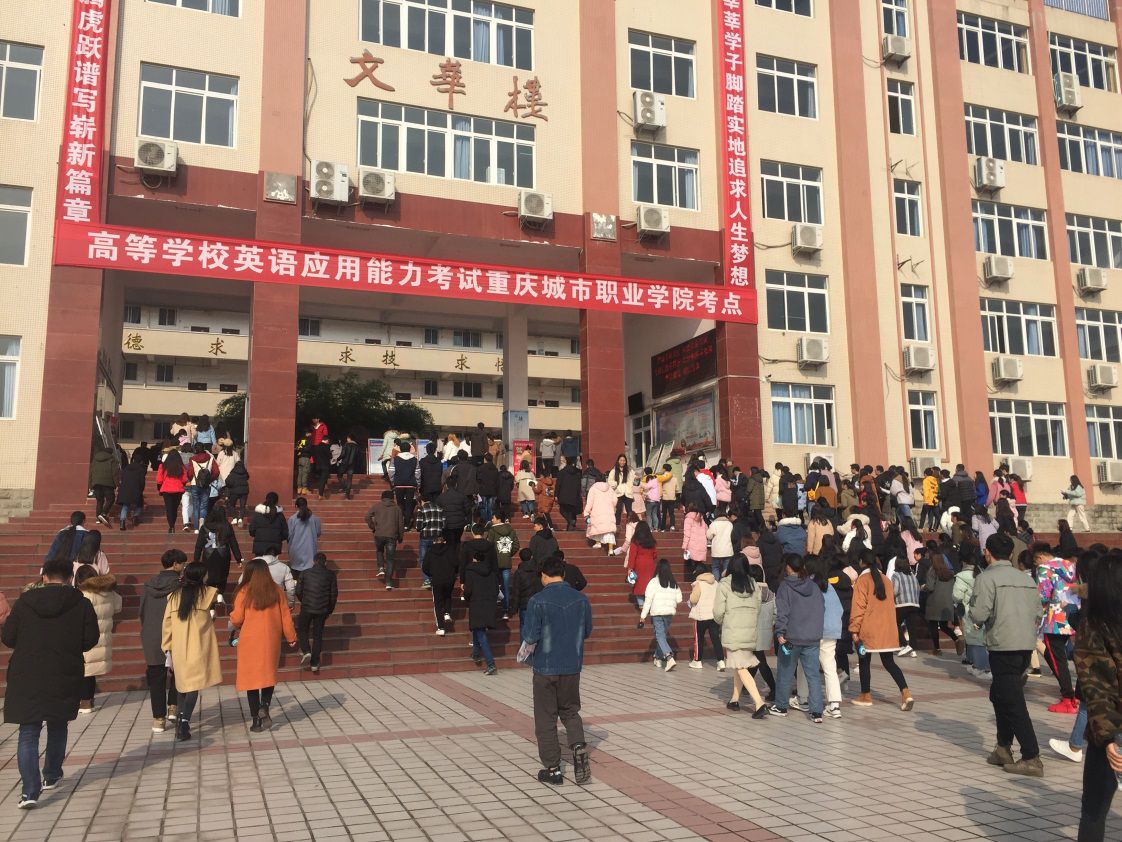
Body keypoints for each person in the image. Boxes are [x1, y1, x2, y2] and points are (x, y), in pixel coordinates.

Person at [3, 558, 98, 808]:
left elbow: (9, 637)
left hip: (27, 673)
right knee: (58, 724)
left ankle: (29, 792)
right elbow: (90, 639)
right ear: (70, 578)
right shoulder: (81, 603)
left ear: (44, 577)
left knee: (28, 731)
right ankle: (52, 775)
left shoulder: (25, 602)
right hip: (64, 671)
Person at [971, 533, 1044, 777]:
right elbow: (1038, 612)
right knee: (1000, 694)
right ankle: (1003, 747)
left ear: (987, 553)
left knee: (1012, 700)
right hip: (1025, 645)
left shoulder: (986, 578)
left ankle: (1031, 756)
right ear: (1011, 554)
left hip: (1003, 645)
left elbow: (979, 614)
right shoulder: (1026, 579)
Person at [522, 555, 593, 786]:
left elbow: (531, 635)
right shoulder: (581, 599)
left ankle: (553, 769)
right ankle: (578, 745)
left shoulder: (537, 600)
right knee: (570, 711)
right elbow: (587, 630)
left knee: (546, 717)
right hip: (572, 665)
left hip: (545, 666)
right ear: (562, 574)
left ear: (543, 575)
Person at [1073, 550, 1122, 841]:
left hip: (1112, 730)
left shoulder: (1094, 626)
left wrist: (1108, 738)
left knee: (1094, 809)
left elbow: (1098, 688)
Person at [231, 558, 297, 732]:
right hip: (270, 640)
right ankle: (265, 705)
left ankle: (255, 722)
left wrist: (233, 621)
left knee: (251, 681)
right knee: (268, 676)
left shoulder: (244, 591)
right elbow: (286, 617)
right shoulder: (277, 590)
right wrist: (291, 637)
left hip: (249, 641)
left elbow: (237, 618)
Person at [161, 560, 221, 741]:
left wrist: (167, 647)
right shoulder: (208, 593)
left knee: (182, 685)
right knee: (193, 686)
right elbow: (213, 611)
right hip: (198, 648)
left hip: (179, 648)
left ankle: (181, 718)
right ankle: (184, 722)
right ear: (201, 575)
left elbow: (167, 625)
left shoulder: (173, 596)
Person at [849, 550, 914, 711]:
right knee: (889, 663)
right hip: (887, 628)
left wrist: (854, 629)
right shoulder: (886, 579)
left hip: (868, 628)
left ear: (862, 562)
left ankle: (865, 695)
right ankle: (905, 692)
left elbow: (858, 607)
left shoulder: (862, 581)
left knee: (864, 661)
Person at [767, 554, 825, 721]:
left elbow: (782, 611)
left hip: (792, 637)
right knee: (813, 676)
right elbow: (821, 608)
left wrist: (780, 632)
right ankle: (816, 712)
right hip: (812, 637)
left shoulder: (785, 587)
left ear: (788, 567)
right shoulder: (813, 586)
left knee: (785, 673)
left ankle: (781, 706)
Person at [140, 549, 185, 733]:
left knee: (156, 677)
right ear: (175, 564)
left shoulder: (148, 586)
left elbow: (142, 611)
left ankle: (158, 719)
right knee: (179, 672)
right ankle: (174, 706)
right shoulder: (181, 585)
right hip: (175, 633)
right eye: (182, 563)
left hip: (151, 634)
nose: (184, 567)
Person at [1035, 542, 1080, 713]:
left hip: (1054, 619)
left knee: (1056, 658)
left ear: (1040, 556)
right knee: (1062, 656)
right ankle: (1075, 693)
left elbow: (1043, 595)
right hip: (1072, 614)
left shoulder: (1044, 569)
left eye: (1036, 561)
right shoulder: (1069, 564)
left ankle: (1068, 698)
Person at [74, 564, 121, 714]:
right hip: (102, 637)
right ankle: (89, 700)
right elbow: (118, 607)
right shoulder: (109, 592)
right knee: (91, 671)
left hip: (85, 636)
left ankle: (85, 703)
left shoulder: (84, 595)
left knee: (85, 670)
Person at [295, 552, 337, 673]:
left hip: (307, 607)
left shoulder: (305, 573)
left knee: (303, 630)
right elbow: (333, 595)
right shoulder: (331, 575)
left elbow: (298, 591)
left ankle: (306, 651)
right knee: (318, 636)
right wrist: (329, 610)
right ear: (325, 562)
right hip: (322, 609)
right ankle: (314, 663)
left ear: (313, 561)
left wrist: (304, 600)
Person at [639, 558, 682, 671]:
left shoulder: (653, 582)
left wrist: (642, 617)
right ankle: (658, 658)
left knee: (660, 636)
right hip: (669, 613)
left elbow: (648, 601)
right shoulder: (673, 582)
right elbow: (679, 599)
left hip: (657, 613)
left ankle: (669, 657)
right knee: (661, 635)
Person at [194, 507, 243, 603]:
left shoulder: (205, 527)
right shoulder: (227, 526)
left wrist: (196, 559)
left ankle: (211, 599)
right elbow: (233, 543)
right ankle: (220, 594)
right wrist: (238, 559)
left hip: (208, 555)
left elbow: (199, 545)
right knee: (222, 575)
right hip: (223, 554)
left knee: (209, 576)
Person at [464, 548, 499, 675]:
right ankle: (475, 653)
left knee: (481, 633)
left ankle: (491, 664)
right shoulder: (492, 572)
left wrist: (467, 597)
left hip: (476, 604)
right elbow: (496, 590)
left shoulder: (470, 572)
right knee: (477, 629)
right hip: (489, 604)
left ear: (475, 559)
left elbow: (468, 590)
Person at [924, 550, 963, 656]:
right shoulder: (949, 573)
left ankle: (937, 649)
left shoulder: (932, 571)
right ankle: (956, 639)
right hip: (947, 603)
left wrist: (923, 587)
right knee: (943, 626)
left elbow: (930, 587)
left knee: (933, 625)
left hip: (934, 602)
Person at [365, 490, 404, 590]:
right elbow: (400, 524)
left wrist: (373, 527)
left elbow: (367, 517)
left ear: (382, 497)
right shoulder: (397, 508)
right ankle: (388, 582)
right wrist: (400, 537)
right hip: (392, 536)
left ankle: (381, 567)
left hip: (379, 534)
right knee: (390, 559)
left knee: (379, 550)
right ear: (392, 498)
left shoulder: (377, 506)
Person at [486, 512, 520, 619]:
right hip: (506, 562)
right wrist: (508, 554)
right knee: (505, 587)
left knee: (493, 586)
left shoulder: (492, 531)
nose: (492, 520)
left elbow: (488, 546)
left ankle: (492, 609)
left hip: (494, 563)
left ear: (498, 519)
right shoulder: (511, 530)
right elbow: (516, 545)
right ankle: (505, 610)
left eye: (493, 518)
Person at [625, 522, 658, 621]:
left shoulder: (635, 541)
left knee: (639, 585)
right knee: (649, 584)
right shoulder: (652, 541)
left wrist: (630, 568)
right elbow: (655, 554)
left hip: (639, 564)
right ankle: (650, 605)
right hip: (650, 564)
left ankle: (642, 606)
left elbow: (632, 556)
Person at [287, 497, 323, 580]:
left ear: (296, 506)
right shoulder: (315, 519)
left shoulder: (292, 519)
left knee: (296, 577)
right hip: (310, 550)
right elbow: (318, 533)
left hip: (295, 550)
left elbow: (289, 535)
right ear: (307, 505)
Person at [416, 495, 446, 590]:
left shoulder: (422, 509)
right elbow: (444, 524)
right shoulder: (440, 509)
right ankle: (437, 577)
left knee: (423, 559)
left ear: (422, 500)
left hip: (425, 536)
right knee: (437, 558)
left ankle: (426, 580)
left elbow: (418, 526)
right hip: (437, 537)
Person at [583, 471, 616, 553]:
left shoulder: (593, 489)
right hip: (608, 512)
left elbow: (589, 502)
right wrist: (612, 508)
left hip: (596, 512)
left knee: (597, 528)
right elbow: (615, 500)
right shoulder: (610, 489)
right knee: (609, 531)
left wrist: (586, 512)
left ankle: (598, 543)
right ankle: (611, 550)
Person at [186, 444, 218, 531]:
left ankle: (196, 528)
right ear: (204, 449)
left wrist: (191, 479)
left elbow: (189, 473)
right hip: (206, 485)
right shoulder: (210, 458)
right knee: (204, 506)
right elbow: (216, 472)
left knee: (196, 506)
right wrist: (210, 480)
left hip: (195, 484)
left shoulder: (192, 459)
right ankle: (202, 522)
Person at [248, 492, 288, 558]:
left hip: (259, 547)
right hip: (274, 549)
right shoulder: (280, 516)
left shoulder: (258, 514)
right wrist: (278, 538)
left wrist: (259, 535)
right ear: (277, 501)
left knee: (260, 564)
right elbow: (285, 533)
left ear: (266, 499)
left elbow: (251, 531)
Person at [87, 446, 119, 527]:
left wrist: (90, 484)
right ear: (111, 453)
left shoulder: (95, 459)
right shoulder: (112, 460)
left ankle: (98, 519)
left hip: (96, 483)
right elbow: (115, 473)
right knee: (110, 499)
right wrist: (117, 484)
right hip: (108, 483)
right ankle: (103, 513)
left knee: (99, 501)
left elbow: (91, 472)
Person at [156, 455, 188, 534]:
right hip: (178, 489)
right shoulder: (181, 466)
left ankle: (171, 526)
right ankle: (172, 523)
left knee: (169, 509)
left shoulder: (163, 466)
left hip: (166, 489)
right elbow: (184, 479)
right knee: (174, 508)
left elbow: (159, 480)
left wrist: (159, 488)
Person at [117, 451, 148, 531]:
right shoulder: (141, 469)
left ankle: (122, 521)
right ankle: (135, 516)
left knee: (125, 505)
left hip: (125, 489)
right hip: (136, 488)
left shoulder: (127, 467)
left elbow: (122, 477)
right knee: (139, 504)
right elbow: (142, 481)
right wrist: (141, 489)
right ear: (141, 461)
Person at [706, 505, 736, 581]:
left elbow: (709, 536)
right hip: (728, 550)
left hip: (717, 551)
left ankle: (717, 583)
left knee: (715, 567)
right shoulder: (730, 524)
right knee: (726, 569)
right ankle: (724, 584)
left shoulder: (714, 524)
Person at [607, 454, 637, 526]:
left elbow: (634, 480)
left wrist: (636, 479)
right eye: (621, 460)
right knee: (618, 510)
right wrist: (615, 484)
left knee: (629, 510)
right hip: (618, 493)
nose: (622, 462)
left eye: (624, 460)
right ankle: (617, 525)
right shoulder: (614, 471)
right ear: (618, 461)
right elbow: (610, 481)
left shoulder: (630, 471)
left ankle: (630, 525)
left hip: (628, 493)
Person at [555, 459, 582, 531]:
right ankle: (570, 525)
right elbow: (579, 485)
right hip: (574, 495)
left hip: (563, 495)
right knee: (571, 511)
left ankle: (570, 521)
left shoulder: (562, 472)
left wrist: (556, 494)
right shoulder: (577, 473)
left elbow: (558, 484)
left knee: (562, 510)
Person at [224, 460, 251, 526]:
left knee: (232, 505)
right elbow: (247, 477)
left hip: (234, 491)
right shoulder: (245, 473)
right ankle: (240, 519)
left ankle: (234, 518)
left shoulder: (233, 473)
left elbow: (228, 481)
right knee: (242, 506)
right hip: (244, 491)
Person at [477, 452, 499, 522]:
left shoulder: (480, 468)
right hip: (493, 490)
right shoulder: (495, 468)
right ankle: (490, 521)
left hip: (483, 490)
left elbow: (478, 479)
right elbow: (497, 480)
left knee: (483, 507)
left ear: (485, 459)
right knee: (491, 507)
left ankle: (484, 522)